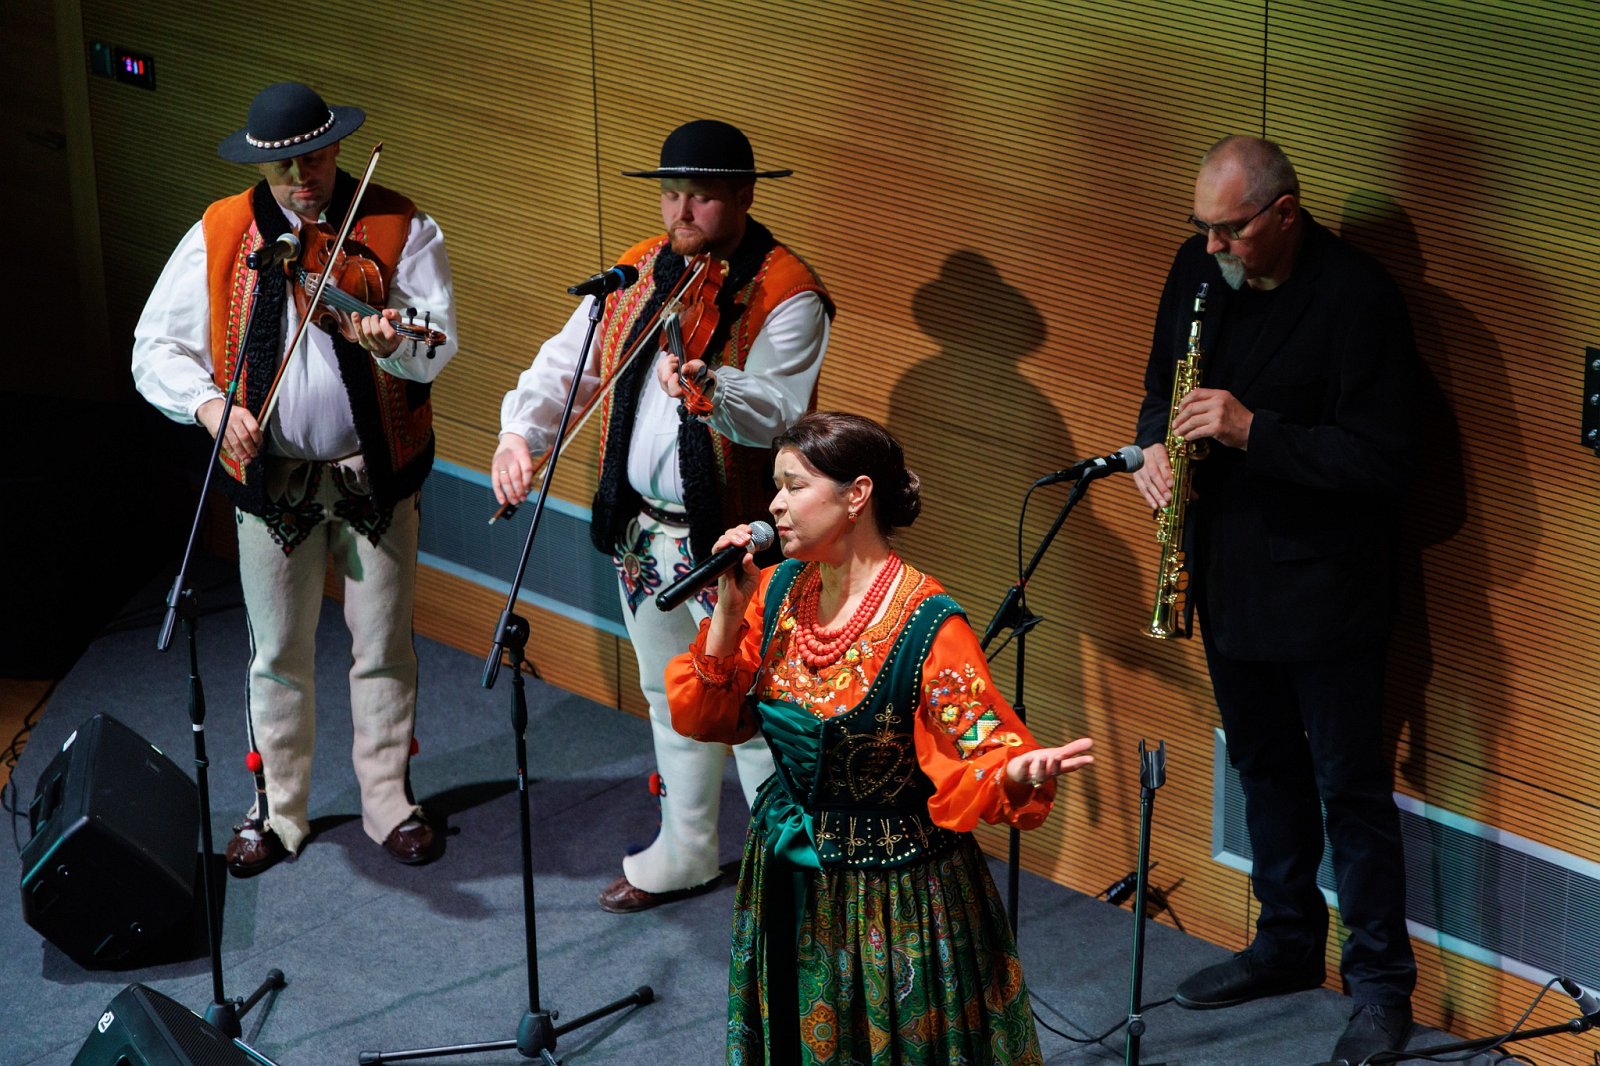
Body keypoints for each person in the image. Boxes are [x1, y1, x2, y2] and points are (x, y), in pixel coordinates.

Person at [665, 411, 1095, 1063]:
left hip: (896, 896)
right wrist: (728, 608)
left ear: (856, 495)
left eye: (794, 486)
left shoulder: (928, 625)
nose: (775, 505)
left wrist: (1010, 771)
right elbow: (706, 719)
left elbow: (980, 739)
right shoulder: (776, 591)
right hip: (786, 866)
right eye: (775, 487)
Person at [495, 120, 833, 913]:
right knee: (668, 691)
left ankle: (789, 864)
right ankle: (685, 848)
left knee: (756, 705)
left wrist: (711, 384)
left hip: (736, 541)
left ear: (743, 196)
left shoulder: (789, 292)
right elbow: (569, 365)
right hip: (643, 531)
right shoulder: (640, 270)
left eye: (701, 197)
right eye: (671, 194)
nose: (681, 212)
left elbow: (778, 410)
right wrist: (520, 436)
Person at [1131, 135, 1419, 1062]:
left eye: (1231, 231)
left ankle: (1381, 987)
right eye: (1202, 228)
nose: (1212, 248)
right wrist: (1150, 451)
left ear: (1285, 213)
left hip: (1328, 588)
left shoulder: (1359, 298)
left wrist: (1256, 431)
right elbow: (1159, 391)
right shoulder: (1199, 267)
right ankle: (1287, 940)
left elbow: (1386, 460)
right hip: (1226, 570)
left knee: (1350, 791)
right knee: (1261, 766)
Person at [132, 82, 457, 875]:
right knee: (276, 651)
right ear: (260, 166)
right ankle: (277, 810)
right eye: (282, 168)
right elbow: (155, 348)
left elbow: (437, 343)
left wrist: (393, 344)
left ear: (335, 147)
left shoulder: (398, 225)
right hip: (272, 482)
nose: (299, 180)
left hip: (373, 476)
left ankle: (388, 800)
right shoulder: (221, 230)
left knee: (383, 645)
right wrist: (210, 406)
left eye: (311, 160)